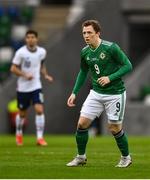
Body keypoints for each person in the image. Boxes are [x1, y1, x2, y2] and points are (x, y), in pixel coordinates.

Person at [66, 20, 132, 167]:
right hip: (96, 93)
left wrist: (110, 77)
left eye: (89, 32)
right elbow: (83, 72)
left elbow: (128, 65)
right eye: (84, 33)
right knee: (82, 124)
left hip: (115, 94)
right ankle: (81, 157)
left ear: (98, 33)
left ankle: (126, 157)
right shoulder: (85, 52)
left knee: (114, 128)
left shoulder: (111, 48)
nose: (86, 35)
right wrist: (74, 92)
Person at [10, 30, 53, 146]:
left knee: (39, 110)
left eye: (33, 37)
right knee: (22, 114)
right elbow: (13, 68)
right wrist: (25, 75)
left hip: (36, 86)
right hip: (23, 88)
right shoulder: (20, 52)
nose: (30, 39)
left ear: (37, 39)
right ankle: (19, 133)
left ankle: (40, 138)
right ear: (25, 39)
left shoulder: (42, 52)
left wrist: (46, 75)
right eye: (28, 37)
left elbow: (42, 65)